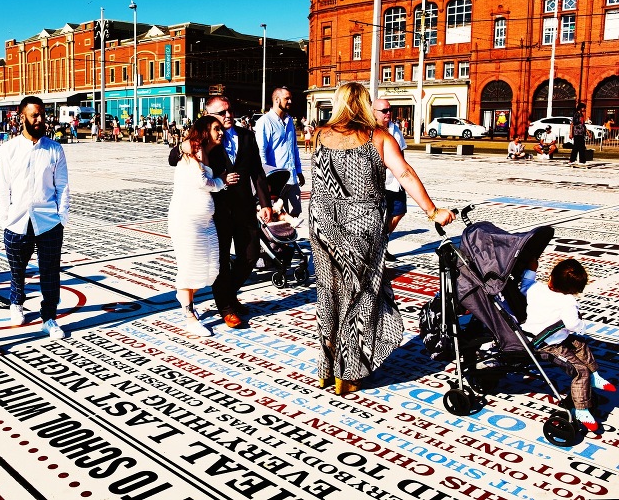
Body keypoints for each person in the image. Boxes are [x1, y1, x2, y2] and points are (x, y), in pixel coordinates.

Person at [309, 82, 454, 395]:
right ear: (364, 104)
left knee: (330, 291)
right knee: (360, 295)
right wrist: (433, 211)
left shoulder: (319, 135)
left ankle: (327, 366)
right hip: (362, 224)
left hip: (322, 222)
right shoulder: (378, 138)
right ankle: (348, 372)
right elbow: (404, 174)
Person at [169, 95, 271, 327]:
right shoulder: (202, 139)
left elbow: (257, 171)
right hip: (218, 211)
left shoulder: (246, 135)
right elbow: (173, 159)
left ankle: (228, 294)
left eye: (229, 110)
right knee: (221, 260)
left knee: (250, 255)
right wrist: (182, 145)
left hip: (245, 207)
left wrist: (265, 203)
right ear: (208, 116)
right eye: (221, 112)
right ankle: (226, 306)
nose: (228, 116)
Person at [0, 96, 70, 339]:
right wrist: (6, 219)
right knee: (17, 269)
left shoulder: (54, 149)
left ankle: (49, 317)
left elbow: (63, 186)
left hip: (48, 221)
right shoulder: (9, 149)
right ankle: (16, 303)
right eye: (34, 115)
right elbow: (2, 188)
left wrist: (61, 218)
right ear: (22, 117)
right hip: (17, 221)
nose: (39, 120)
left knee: (50, 271)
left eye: (41, 115)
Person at [521, 258, 615, 432]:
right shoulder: (568, 302)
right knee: (580, 370)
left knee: (579, 345)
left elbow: (525, 284)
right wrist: (582, 327)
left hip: (539, 335)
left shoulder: (536, 289)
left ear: (551, 277)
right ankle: (581, 409)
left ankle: (594, 376)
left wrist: (532, 268)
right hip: (545, 344)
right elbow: (572, 325)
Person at [168, 115, 231, 337]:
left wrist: (220, 178)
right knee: (189, 268)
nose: (221, 132)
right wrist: (222, 181)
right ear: (205, 130)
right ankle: (189, 315)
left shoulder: (207, 152)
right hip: (186, 221)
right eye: (217, 128)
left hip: (205, 221)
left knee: (209, 267)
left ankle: (183, 295)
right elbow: (202, 182)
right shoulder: (190, 149)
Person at [255, 88, 305, 217]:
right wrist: (266, 178)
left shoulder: (289, 121)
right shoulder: (265, 122)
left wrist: (299, 171)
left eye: (290, 98)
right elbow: (261, 151)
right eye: (286, 98)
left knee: (296, 211)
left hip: (291, 176)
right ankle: (284, 236)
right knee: (278, 214)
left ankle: (290, 235)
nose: (290, 101)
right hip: (276, 179)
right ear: (277, 100)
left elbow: (294, 148)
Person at [372, 98, 408, 262]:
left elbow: (401, 152)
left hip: (396, 180)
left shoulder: (395, 128)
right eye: (384, 111)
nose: (388, 113)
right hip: (378, 182)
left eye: (389, 110)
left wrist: (404, 173)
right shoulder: (369, 131)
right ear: (374, 112)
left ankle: (382, 241)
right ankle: (378, 247)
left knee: (399, 211)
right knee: (379, 217)